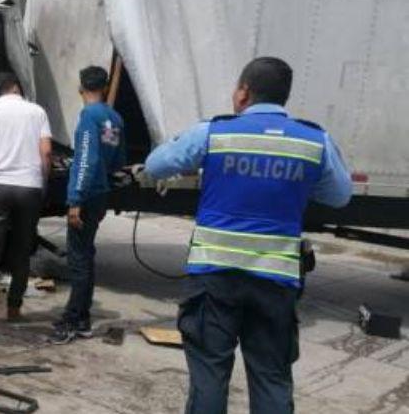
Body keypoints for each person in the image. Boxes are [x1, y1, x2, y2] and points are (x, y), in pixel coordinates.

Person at [143, 57, 352, 413]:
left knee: (209, 377)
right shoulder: (315, 141)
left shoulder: (214, 133)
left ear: (243, 92)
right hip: (275, 280)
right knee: (271, 377)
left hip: (213, 277)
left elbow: (155, 165)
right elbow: (340, 196)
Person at [0, 72, 53, 326]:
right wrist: (43, 180)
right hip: (30, 188)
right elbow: (46, 152)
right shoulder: (37, 112)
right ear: (16, 88)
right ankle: (14, 309)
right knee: (22, 250)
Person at [49, 66, 125, 344]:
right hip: (101, 193)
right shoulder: (113, 119)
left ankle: (72, 320)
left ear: (81, 89)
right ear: (104, 88)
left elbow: (85, 160)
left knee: (78, 259)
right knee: (86, 255)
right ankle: (82, 318)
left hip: (87, 194)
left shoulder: (88, 117)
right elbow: (117, 161)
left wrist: (75, 200)